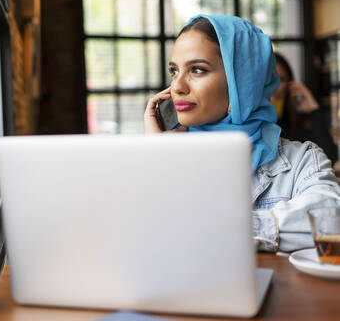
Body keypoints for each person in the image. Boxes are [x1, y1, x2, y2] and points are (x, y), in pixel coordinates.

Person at [144, 15, 340, 252]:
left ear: (242, 84)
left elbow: (330, 219)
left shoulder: (302, 161)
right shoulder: (166, 157)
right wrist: (155, 158)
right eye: (174, 71)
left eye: (197, 70)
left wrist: (226, 230)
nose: (177, 86)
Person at [271, 52, 338, 164]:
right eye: (269, 79)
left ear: (289, 85)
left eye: (281, 79)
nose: (274, 86)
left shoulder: (296, 125)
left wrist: (313, 109)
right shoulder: (247, 122)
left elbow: (328, 158)